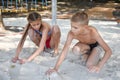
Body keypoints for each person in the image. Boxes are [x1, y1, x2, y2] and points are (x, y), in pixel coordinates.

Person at [46, 11, 112, 74]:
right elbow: (64, 50)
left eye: (75, 28)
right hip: (85, 46)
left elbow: (108, 51)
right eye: (71, 26)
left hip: (96, 46)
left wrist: (99, 66)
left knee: (89, 65)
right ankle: (88, 54)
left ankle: (92, 55)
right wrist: (55, 68)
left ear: (85, 27)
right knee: (75, 50)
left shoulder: (92, 31)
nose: (72, 29)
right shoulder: (71, 33)